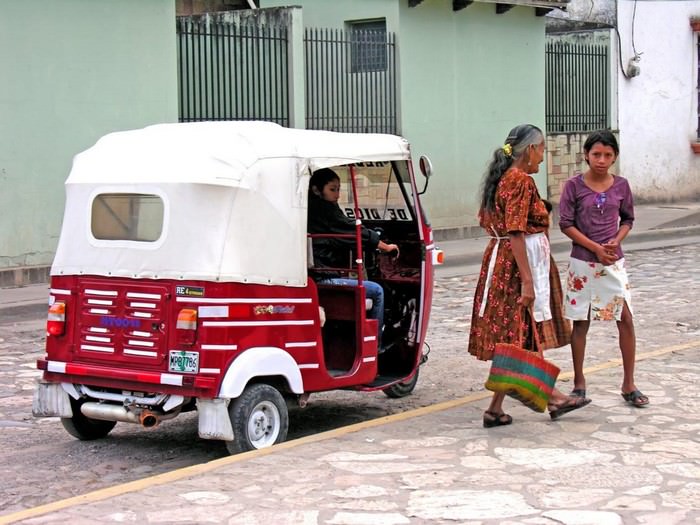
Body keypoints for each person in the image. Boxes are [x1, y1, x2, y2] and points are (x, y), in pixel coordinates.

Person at [468, 124, 591, 427]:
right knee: (524, 331)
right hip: (515, 266)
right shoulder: (520, 181)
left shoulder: (502, 179)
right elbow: (515, 231)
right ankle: (554, 398)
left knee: (519, 332)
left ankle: (496, 409)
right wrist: (527, 280)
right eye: (542, 151)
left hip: (502, 262)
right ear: (530, 150)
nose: (542, 158)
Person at [559, 130, 649, 407]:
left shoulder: (621, 186)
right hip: (583, 263)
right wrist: (595, 247)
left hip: (613, 263)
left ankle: (629, 383)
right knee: (581, 322)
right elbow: (566, 223)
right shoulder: (574, 186)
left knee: (625, 319)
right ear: (586, 155)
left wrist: (614, 242)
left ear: (615, 157)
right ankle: (579, 383)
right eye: (596, 154)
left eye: (608, 155)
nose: (601, 160)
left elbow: (628, 219)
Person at [307, 168, 399, 348]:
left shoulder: (307, 208)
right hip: (324, 277)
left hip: (315, 275)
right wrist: (386, 247)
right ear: (317, 190)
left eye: (339, 189)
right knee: (377, 291)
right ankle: (374, 348)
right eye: (332, 189)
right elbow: (355, 231)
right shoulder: (325, 210)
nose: (337, 195)